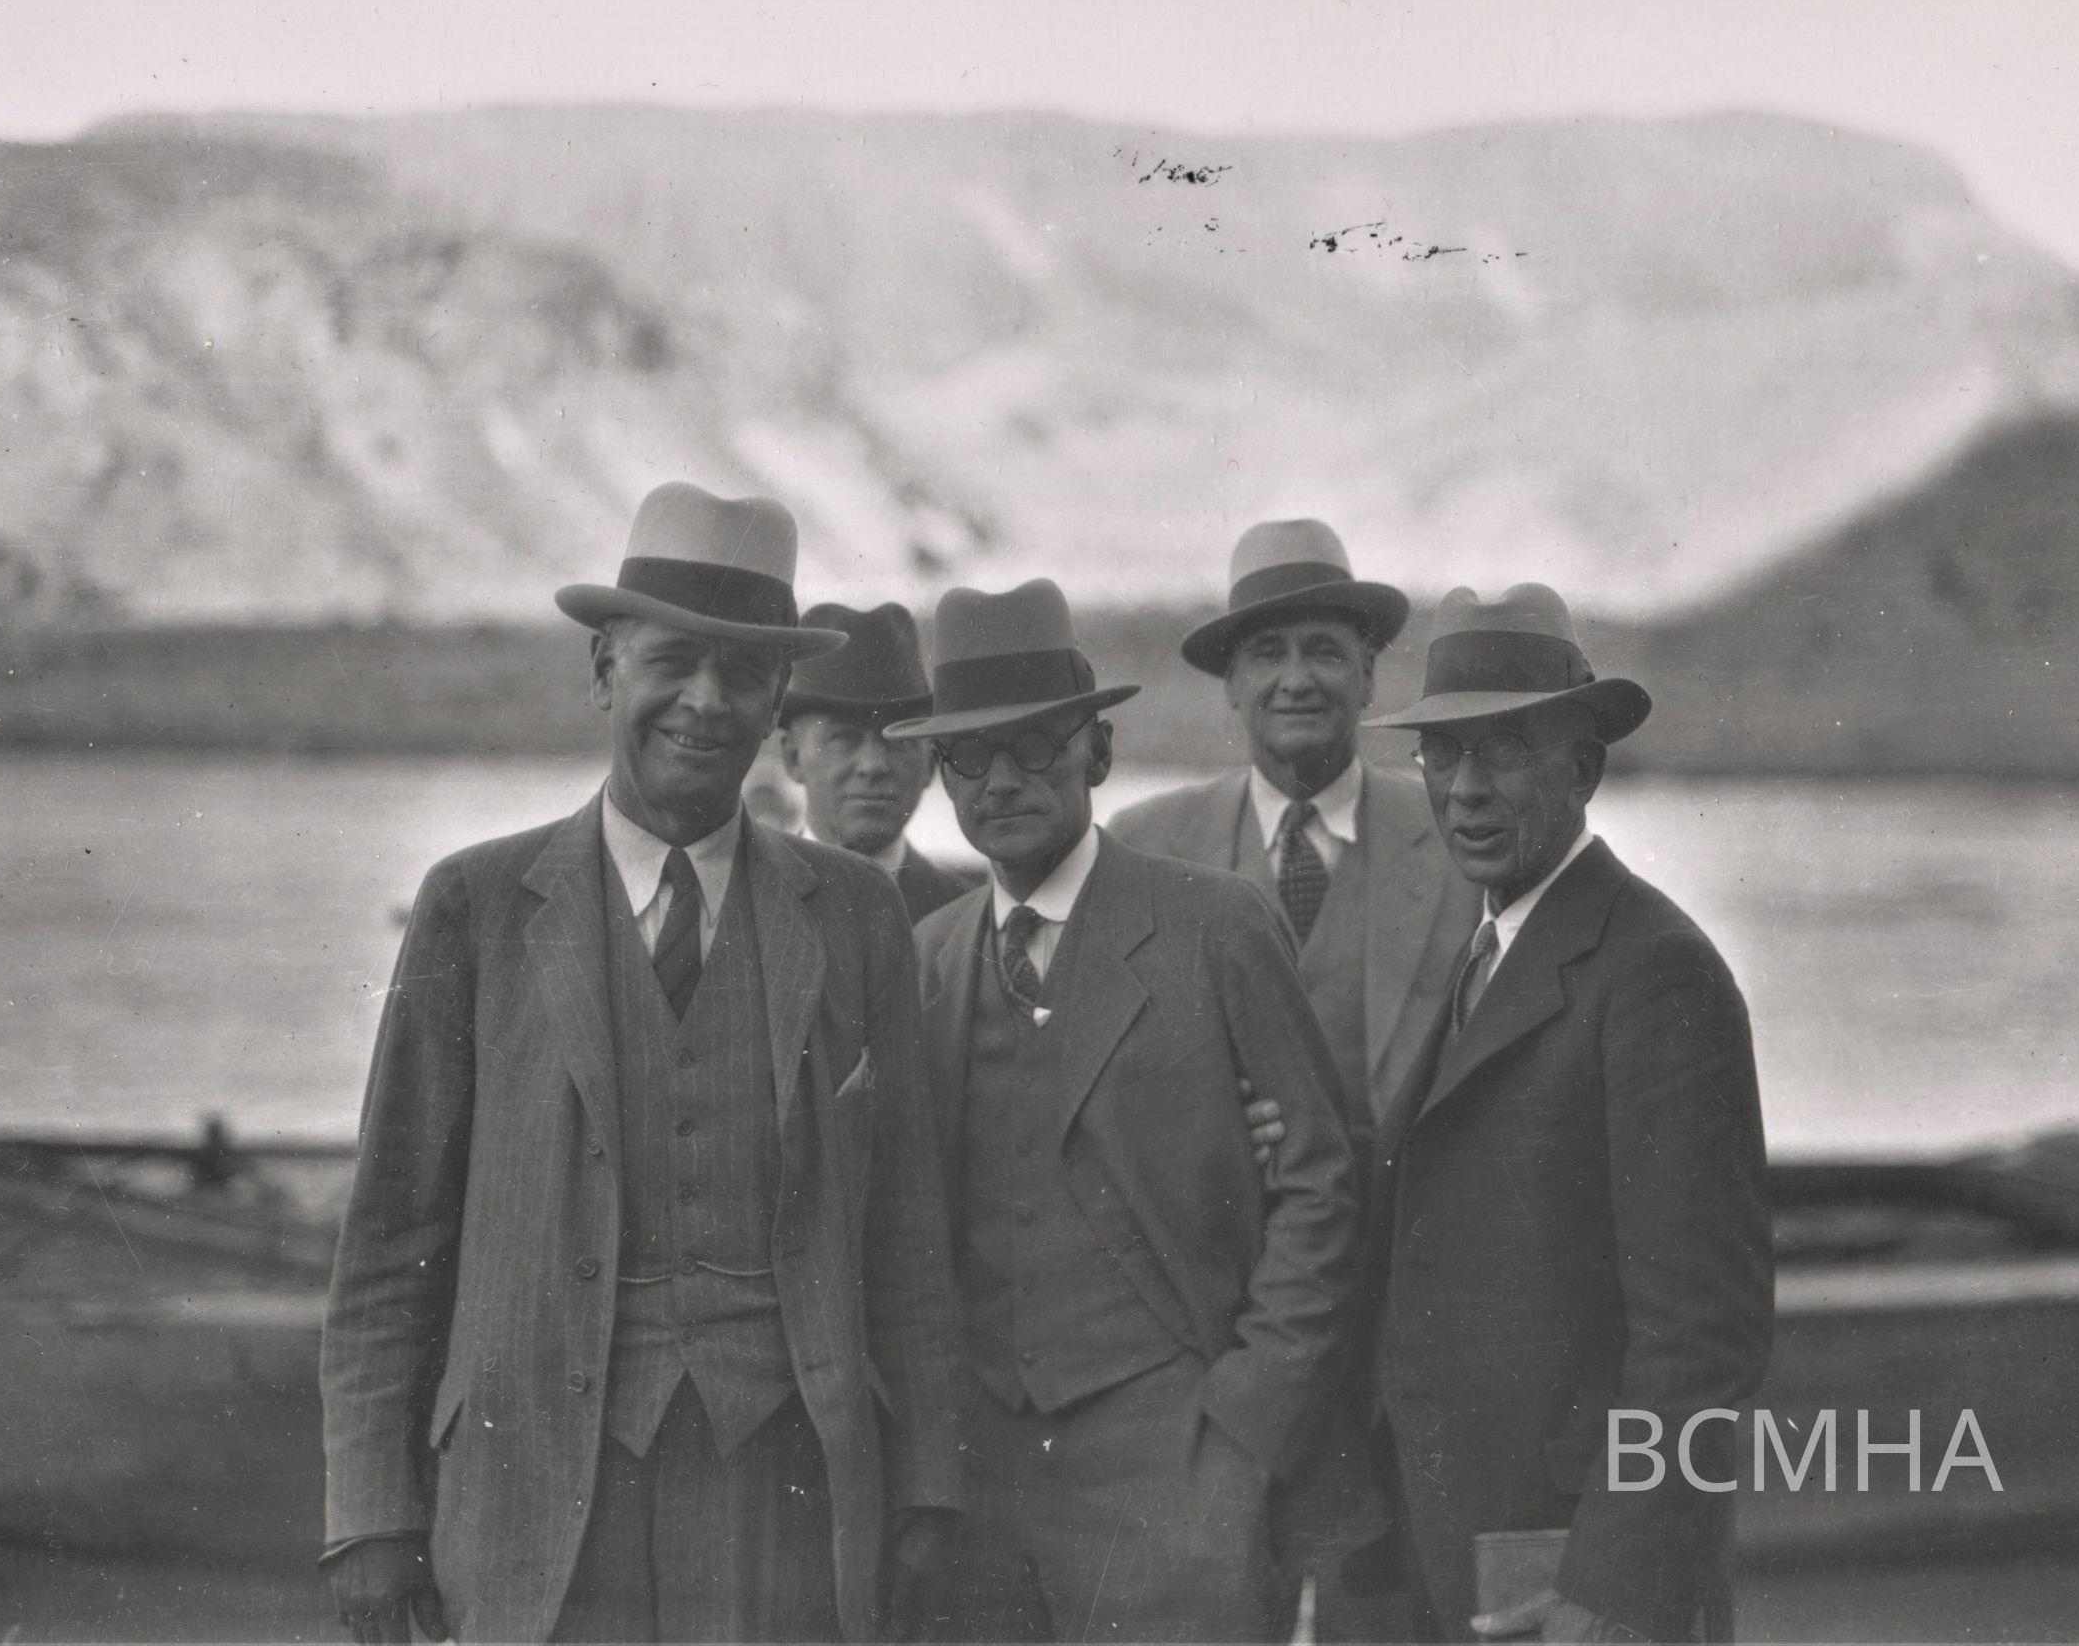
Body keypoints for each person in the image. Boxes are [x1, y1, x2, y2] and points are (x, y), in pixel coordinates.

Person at [320, 482, 963, 1644]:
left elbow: (906, 1233)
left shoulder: (856, 913)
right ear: (604, 669)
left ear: (776, 703)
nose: (705, 701)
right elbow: (388, 1239)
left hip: (783, 1487)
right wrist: (370, 1511)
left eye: (743, 673)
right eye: (672, 662)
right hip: (529, 1489)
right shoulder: (475, 904)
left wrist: (922, 1489)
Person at [885, 579, 1367, 1643]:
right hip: (982, 1483)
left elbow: (1318, 1184)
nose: (1000, 779)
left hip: (1175, 1469)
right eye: (967, 755)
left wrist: (1243, 1427)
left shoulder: (1215, 925)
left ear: (1096, 753)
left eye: (1034, 744)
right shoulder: (928, 959)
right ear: (939, 777)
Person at [1362, 584, 1773, 1644]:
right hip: (1462, 1548)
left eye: (1502, 750)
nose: (1464, 789)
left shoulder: (1656, 972)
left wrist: (1612, 1588)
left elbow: (1704, 1336)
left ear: (1582, 769)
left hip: (1572, 1575)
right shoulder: (1490, 950)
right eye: (1440, 753)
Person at [1110, 518, 1481, 1146]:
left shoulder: (1457, 835)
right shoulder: (1143, 843)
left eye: (1325, 652)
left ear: (1368, 676)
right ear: (1231, 683)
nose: (1297, 680)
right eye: (1268, 654)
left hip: (1409, 1198)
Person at [777, 601, 982, 921]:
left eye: (898, 740)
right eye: (843, 738)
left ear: (931, 762)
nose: (872, 765)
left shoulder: (969, 922)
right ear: (793, 758)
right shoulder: (742, 899)